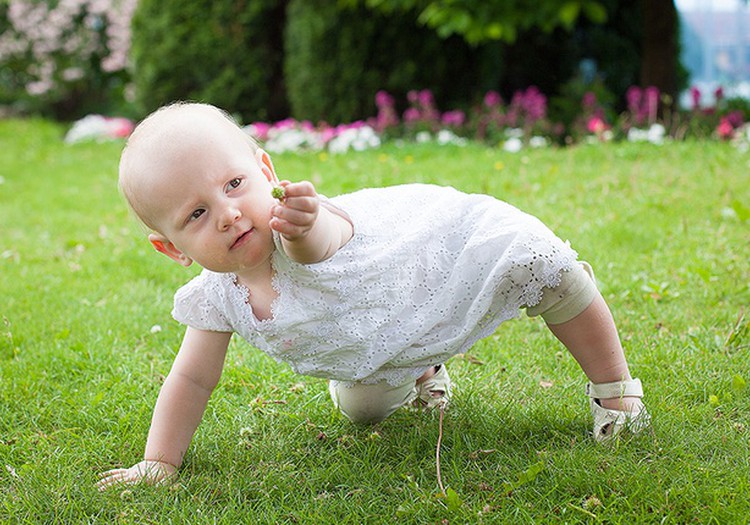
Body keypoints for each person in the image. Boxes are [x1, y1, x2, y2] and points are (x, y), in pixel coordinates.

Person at [97, 102, 649, 490]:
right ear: (172, 248)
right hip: (377, 337)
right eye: (196, 214)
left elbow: (318, 247)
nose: (228, 214)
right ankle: (423, 370)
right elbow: (191, 379)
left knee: (547, 270)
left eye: (234, 184)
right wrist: (159, 462)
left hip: (427, 261)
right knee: (362, 410)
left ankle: (616, 390)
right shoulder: (215, 297)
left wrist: (304, 224)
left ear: (266, 171)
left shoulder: (298, 230)